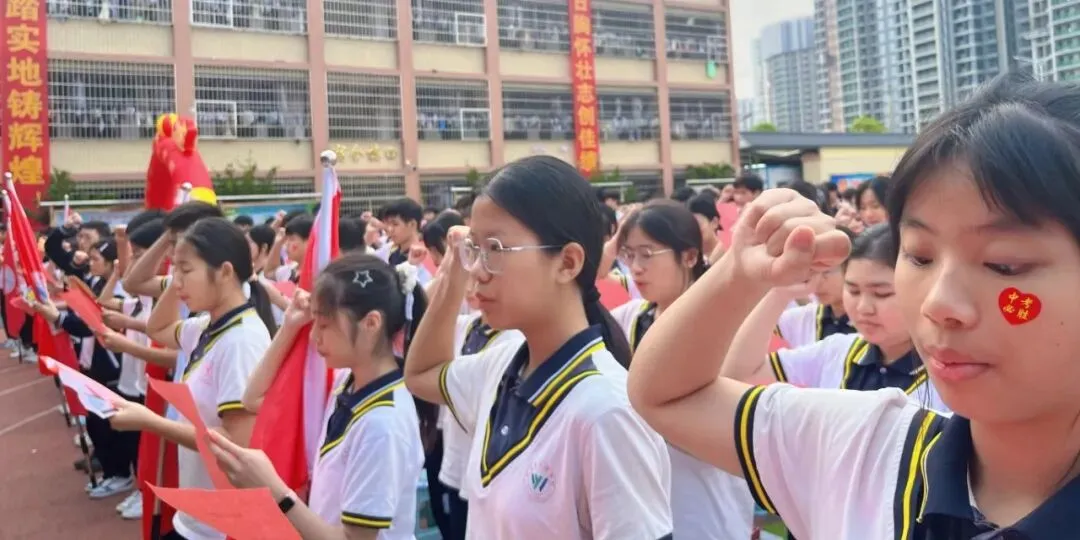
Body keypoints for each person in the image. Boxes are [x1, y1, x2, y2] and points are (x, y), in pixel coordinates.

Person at [628, 73, 1080, 538]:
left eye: (1004, 265)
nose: (938, 303)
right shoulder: (862, 452)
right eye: (919, 256)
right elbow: (665, 395)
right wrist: (738, 273)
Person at [403, 155, 672, 539]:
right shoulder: (500, 367)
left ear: (567, 262)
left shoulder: (607, 414)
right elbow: (420, 374)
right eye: (476, 248)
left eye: (496, 248)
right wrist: (453, 270)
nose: (477, 270)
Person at [208, 254, 428, 540]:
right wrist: (289, 326)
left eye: (324, 325)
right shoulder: (346, 382)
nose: (314, 337)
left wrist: (276, 492)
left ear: (371, 323)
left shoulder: (382, 424)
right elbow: (254, 398)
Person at [108, 218, 273, 540]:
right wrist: (178, 279)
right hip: (199, 515)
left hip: (222, 526)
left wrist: (151, 422)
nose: (176, 281)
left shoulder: (243, 341)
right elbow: (157, 329)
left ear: (225, 272)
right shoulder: (206, 327)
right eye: (174, 271)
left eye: (185, 270)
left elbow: (235, 443)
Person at [609, 200, 754, 539]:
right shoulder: (630, 320)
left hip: (707, 509)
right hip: (649, 504)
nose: (636, 268)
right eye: (629, 255)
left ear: (689, 257)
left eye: (647, 254)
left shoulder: (723, 321)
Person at [772, 227, 858, 348]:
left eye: (826, 272)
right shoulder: (801, 319)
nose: (817, 281)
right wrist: (779, 294)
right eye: (811, 272)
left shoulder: (869, 321)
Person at [377, 198, 424, 265]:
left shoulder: (425, 255)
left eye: (395, 224)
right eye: (387, 224)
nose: (390, 229)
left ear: (412, 224)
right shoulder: (388, 252)